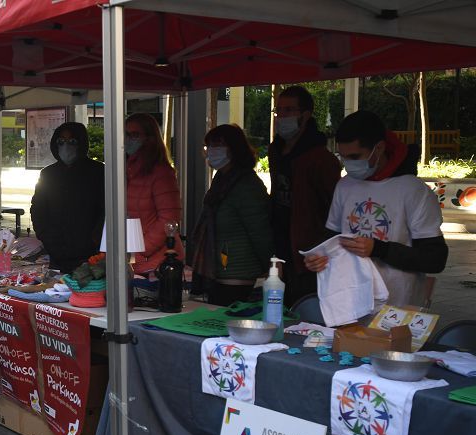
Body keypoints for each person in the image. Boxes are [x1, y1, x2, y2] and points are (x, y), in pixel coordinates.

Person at [304, 110, 448, 307]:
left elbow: (435, 259)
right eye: (343, 157)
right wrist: (318, 256)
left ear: (379, 148)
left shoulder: (413, 190)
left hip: (397, 306)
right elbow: (331, 237)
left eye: (355, 156)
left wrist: (378, 249)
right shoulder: (345, 185)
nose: (349, 165)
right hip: (350, 303)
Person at [268, 86, 341, 305]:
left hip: (309, 254)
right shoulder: (276, 151)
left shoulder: (320, 158)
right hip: (281, 246)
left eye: (289, 110)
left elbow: (332, 208)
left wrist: (323, 248)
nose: (282, 116)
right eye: (279, 110)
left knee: (305, 309)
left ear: (305, 114)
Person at [189, 125, 272, 306]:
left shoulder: (247, 185)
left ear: (234, 148)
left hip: (238, 274)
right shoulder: (222, 180)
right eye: (209, 145)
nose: (211, 150)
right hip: (221, 271)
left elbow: (260, 232)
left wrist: (270, 265)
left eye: (218, 145)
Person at [29, 122, 105, 273]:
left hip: (89, 256)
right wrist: (46, 237)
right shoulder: (48, 174)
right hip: (56, 253)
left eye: (72, 141)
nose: (66, 146)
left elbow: (105, 211)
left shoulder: (98, 172)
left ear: (82, 143)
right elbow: (38, 209)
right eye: (61, 141)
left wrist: (94, 241)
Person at [124, 113, 184, 275]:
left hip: (158, 260)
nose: (128, 139)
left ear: (149, 138)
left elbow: (169, 218)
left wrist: (142, 248)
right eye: (125, 134)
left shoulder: (161, 172)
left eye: (134, 134)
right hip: (134, 256)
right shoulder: (126, 170)